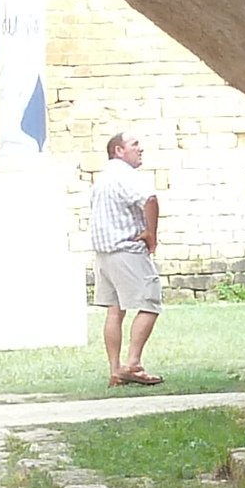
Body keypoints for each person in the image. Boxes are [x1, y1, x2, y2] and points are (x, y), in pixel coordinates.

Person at [88, 128, 163, 385]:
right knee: (150, 302)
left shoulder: (102, 179)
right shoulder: (125, 175)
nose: (140, 148)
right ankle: (133, 363)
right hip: (126, 250)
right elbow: (150, 200)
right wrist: (151, 233)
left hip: (104, 254)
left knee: (114, 311)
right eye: (134, 144)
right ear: (119, 151)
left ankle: (115, 371)